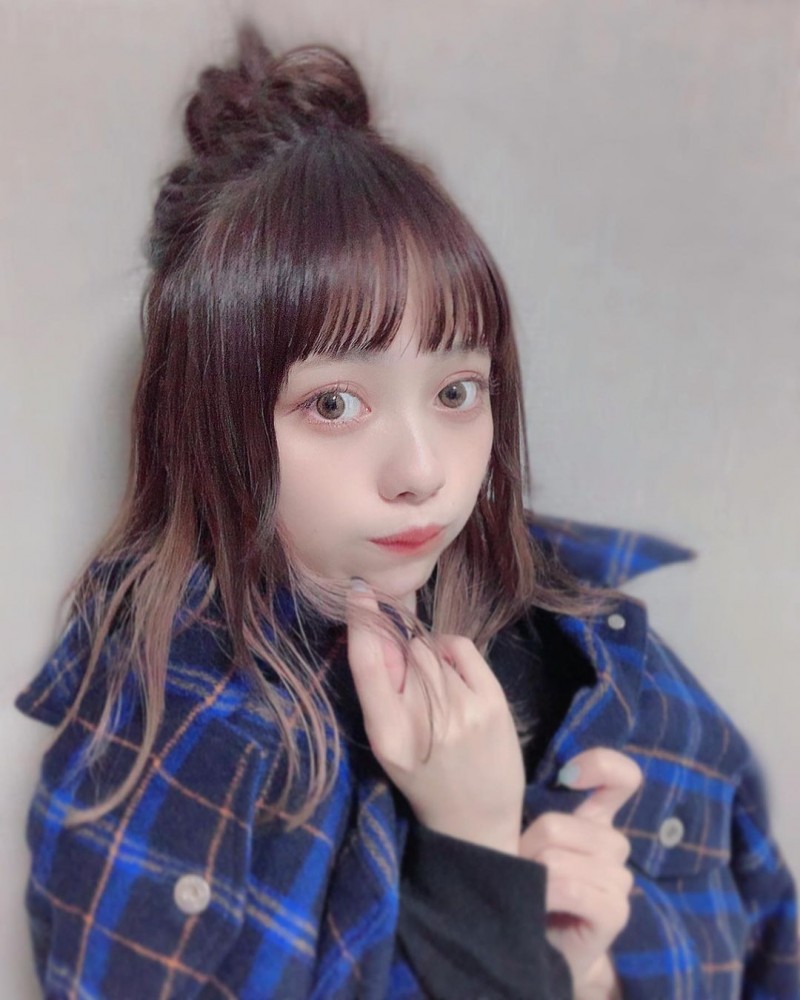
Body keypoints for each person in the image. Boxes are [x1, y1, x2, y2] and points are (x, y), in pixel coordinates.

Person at [15, 22, 797, 1000]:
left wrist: (592, 974)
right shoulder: (173, 744)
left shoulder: (605, 659)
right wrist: (474, 859)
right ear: (209, 425)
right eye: (334, 405)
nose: (422, 471)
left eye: (456, 391)